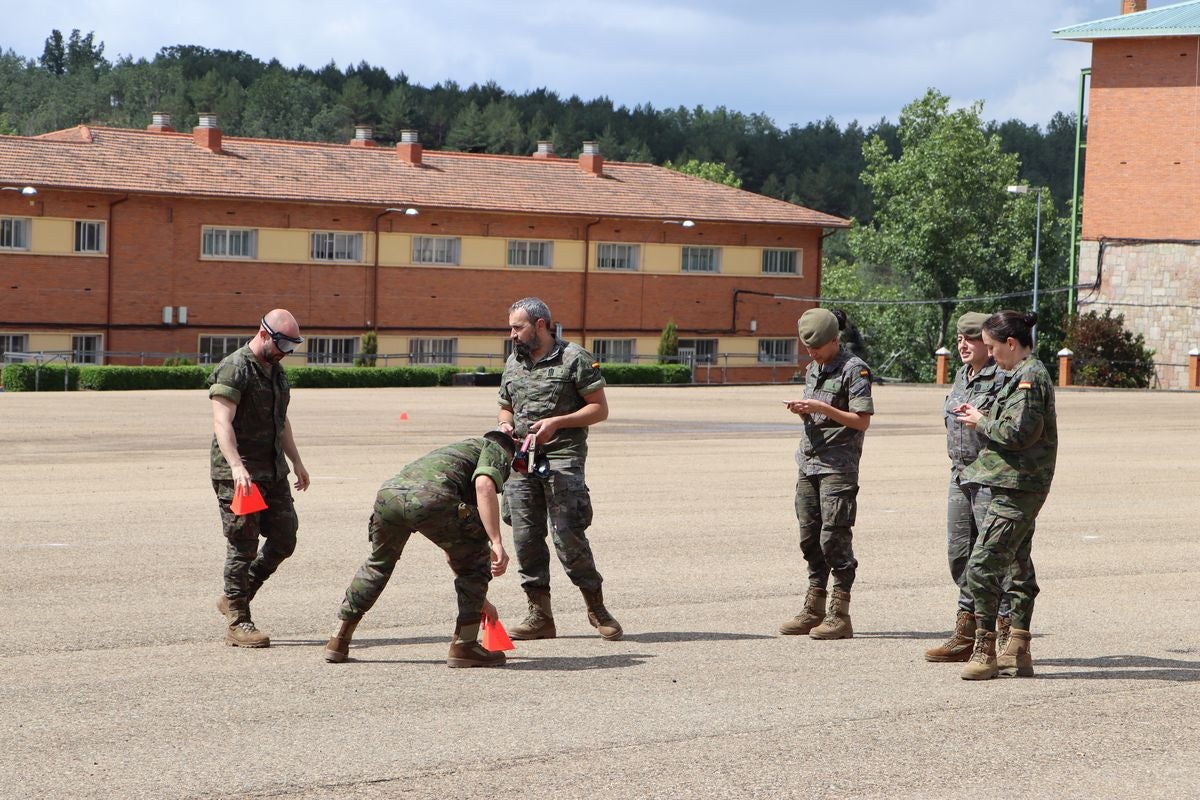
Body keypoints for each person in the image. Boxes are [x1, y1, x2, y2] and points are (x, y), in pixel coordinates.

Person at [324, 432, 517, 668]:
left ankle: (338, 640)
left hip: (390, 495)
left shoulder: (455, 454)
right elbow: (485, 485)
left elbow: (455, 549)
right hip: (430, 498)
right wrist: (496, 541)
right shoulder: (494, 448)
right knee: (478, 557)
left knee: (378, 564)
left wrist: (481, 602)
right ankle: (465, 645)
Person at [497, 297, 622, 641]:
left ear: (540, 325)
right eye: (511, 327)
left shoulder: (574, 358)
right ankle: (539, 615)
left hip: (562, 457)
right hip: (522, 460)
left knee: (568, 535)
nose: (512, 334)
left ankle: (597, 609)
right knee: (525, 538)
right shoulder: (514, 361)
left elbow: (599, 409)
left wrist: (558, 422)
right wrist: (505, 425)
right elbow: (504, 406)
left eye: (517, 327)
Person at [953, 311, 1057, 681]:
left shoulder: (1029, 377)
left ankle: (986, 647)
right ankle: (1018, 646)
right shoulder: (1020, 374)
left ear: (1011, 344)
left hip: (1019, 487)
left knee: (981, 567)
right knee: (1018, 565)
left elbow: (1018, 434)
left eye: (994, 347)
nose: (992, 355)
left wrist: (981, 421)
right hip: (1013, 483)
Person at [209, 310, 310, 648]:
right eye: (283, 344)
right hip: (241, 474)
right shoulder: (236, 367)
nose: (286, 352)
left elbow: (282, 421)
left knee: (285, 538)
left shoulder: (276, 372)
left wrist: (296, 461)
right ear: (264, 334)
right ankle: (238, 622)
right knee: (243, 544)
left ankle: (236, 596)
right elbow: (222, 421)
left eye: (291, 347)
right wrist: (237, 467)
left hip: (273, 470)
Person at [779, 308, 873, 640]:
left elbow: (862, 420)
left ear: (835, 340)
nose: (813, 353)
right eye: (808, 349)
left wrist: (823, 408)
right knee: (809, 537)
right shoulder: (812, 368)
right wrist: (803, 409)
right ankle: (814, 605)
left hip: (838, 466)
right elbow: (817, 414)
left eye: (818, 347)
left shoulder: (854, 370)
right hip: (808, 462)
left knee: (834, 538)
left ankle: (840, 611)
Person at [925, 312, 1013, 663]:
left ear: (988, 344)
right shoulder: (962, 375)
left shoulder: (1004, 378)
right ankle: (967, 629)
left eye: (971, 338)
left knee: (993, 558)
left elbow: (1009, 426)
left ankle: (1004, 631)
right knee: (960, 555)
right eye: (960, 338)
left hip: (990, 477)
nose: (963, 344)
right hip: (960, 474)